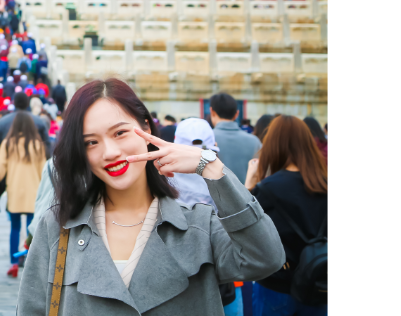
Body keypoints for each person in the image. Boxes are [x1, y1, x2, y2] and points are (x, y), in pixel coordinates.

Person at [16, 78, 285, 315]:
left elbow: (265, 258)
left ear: (146, 127)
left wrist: (211, 166)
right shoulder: (58, 227)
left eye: (120, 133)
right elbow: (32, 308)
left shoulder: (198, 225)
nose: (109, 152)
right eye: (91, 142)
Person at [246, 115, 328, 315]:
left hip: (276, 283)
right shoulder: (324, 184)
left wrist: (249, 186)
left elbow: (244, 230)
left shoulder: (267, 189)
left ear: (273, 145)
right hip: (318, 281)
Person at [0, 110, 47, 277]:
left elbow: (0, 169)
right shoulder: (38, 144)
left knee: (15, 228)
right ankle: (29, 260)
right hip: (34, 191)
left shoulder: (8, 143)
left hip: (15, 191)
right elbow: (42, 170)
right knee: (31, 229)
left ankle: (13, 262)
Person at [210, 92, 262, 183]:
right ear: (237, 114)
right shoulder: (255, 142)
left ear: (212, 111)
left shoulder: (206, 139)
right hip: (247, 196)